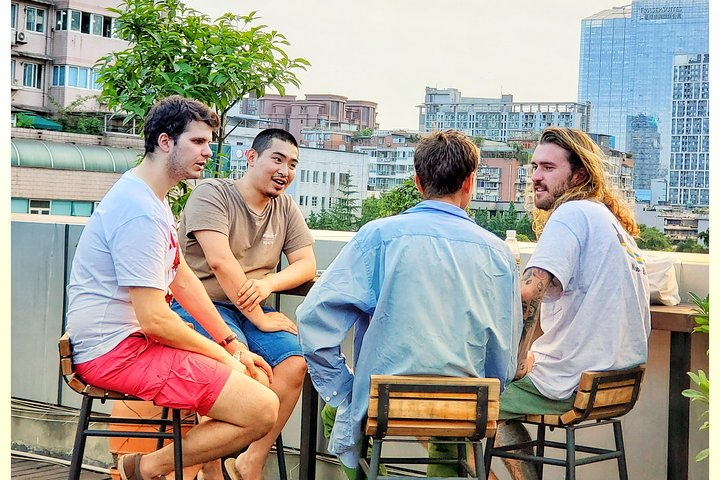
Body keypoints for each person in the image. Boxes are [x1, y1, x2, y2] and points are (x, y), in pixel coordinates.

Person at [66, 96, 280, 480]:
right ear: (166, 142)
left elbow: (182, 278)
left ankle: (175, 470)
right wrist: (225, 357)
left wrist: (231, 344)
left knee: (256, 379)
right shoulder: (138, 211)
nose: (207, 151)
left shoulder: (151, 199)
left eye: (208, 142)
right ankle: (146, 468)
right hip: (116, 352)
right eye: (197, 142)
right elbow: (155, 320)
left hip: (129, 344)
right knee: (262, 408)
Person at [296, 129, 522, 477]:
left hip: (386, 400)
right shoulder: (498, 252)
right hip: (468, 405)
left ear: (418, 182)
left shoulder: (380, 236)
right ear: (470, 182)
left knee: (338, 413)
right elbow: (504, 353)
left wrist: (345, 388)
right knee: (452, 440)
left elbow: (313, 317)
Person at [490, 127, 651, 480]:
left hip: (570, 380)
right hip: (616, 378)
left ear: (579, 175)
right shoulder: (611, 224)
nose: (535, 177)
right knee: (492, 395)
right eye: (533, 168)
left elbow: (529, 291)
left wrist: (515, 361)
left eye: (548, 168)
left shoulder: (571, 214)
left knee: (460, 397)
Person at [171, 128, 316, 480]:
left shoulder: (284, 207)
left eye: (293, 164)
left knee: (295, 364)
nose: (285, 171)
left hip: (249, 310)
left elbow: (306, 264)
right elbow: (220, 262)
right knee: (238, 365)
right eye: (277, 159)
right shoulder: (213, 194)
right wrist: (262, 319)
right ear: (251, 158)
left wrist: (268, 283)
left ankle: (251, 459)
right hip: (200, 304)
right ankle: (209, 467)